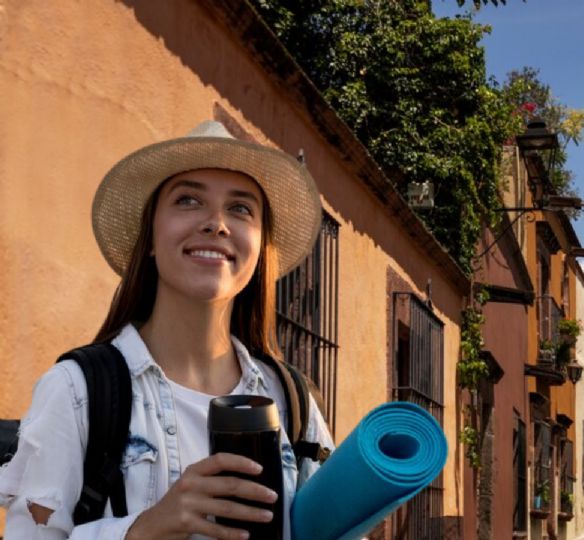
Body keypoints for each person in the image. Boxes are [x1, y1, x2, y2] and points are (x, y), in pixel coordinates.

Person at [0, 121, 334, 539]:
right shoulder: (76, 391)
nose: (217, 223)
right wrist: (143, 530)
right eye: (189, 200)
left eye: (241, 208)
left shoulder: (292, 399)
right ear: (152, 238)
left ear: (260, 247)